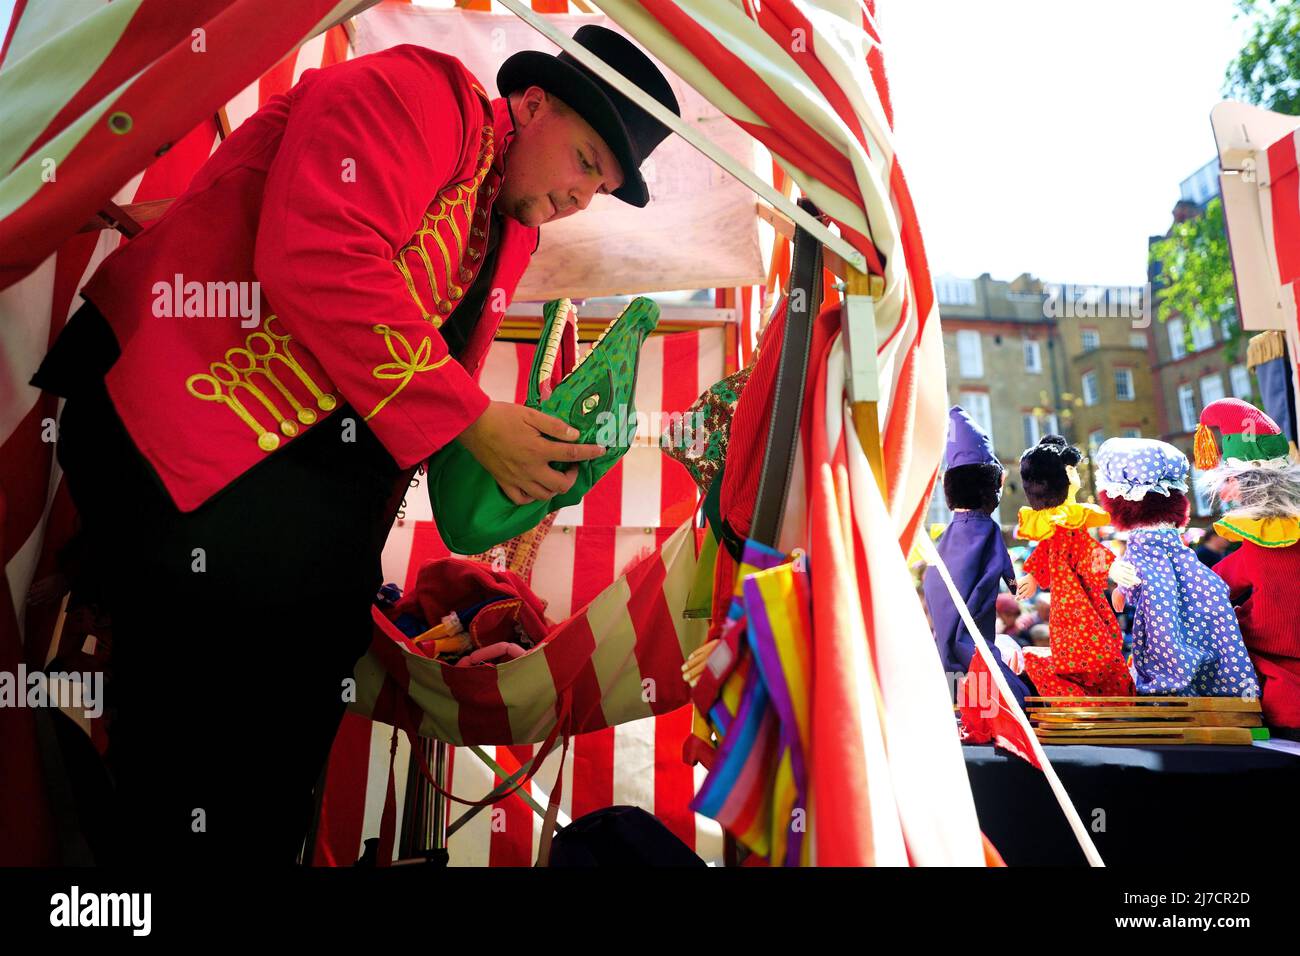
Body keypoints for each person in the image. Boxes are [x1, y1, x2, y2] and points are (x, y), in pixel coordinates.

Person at [30, 26, 681, 865]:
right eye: (587, 161)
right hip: (190, 425)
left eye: (605, 185)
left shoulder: (505, 231)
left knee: (276, 755)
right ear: (533, 103)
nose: (582, 197)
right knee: (203, 761)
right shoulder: (417, 97)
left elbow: (425, 408)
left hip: (289, 500)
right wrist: (477, 421)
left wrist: (528, 466)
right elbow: (319, 254)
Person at [922, 407, 1031, 709]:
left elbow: (934, 569)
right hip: (974, 602)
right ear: (993, 486)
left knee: (947, 647)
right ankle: (986, 703)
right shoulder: (988, 529)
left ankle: (954, 700)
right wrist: (1013, 584)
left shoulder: (949, 532)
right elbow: (1005, 565)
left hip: (945, 597)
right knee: (974, 649)